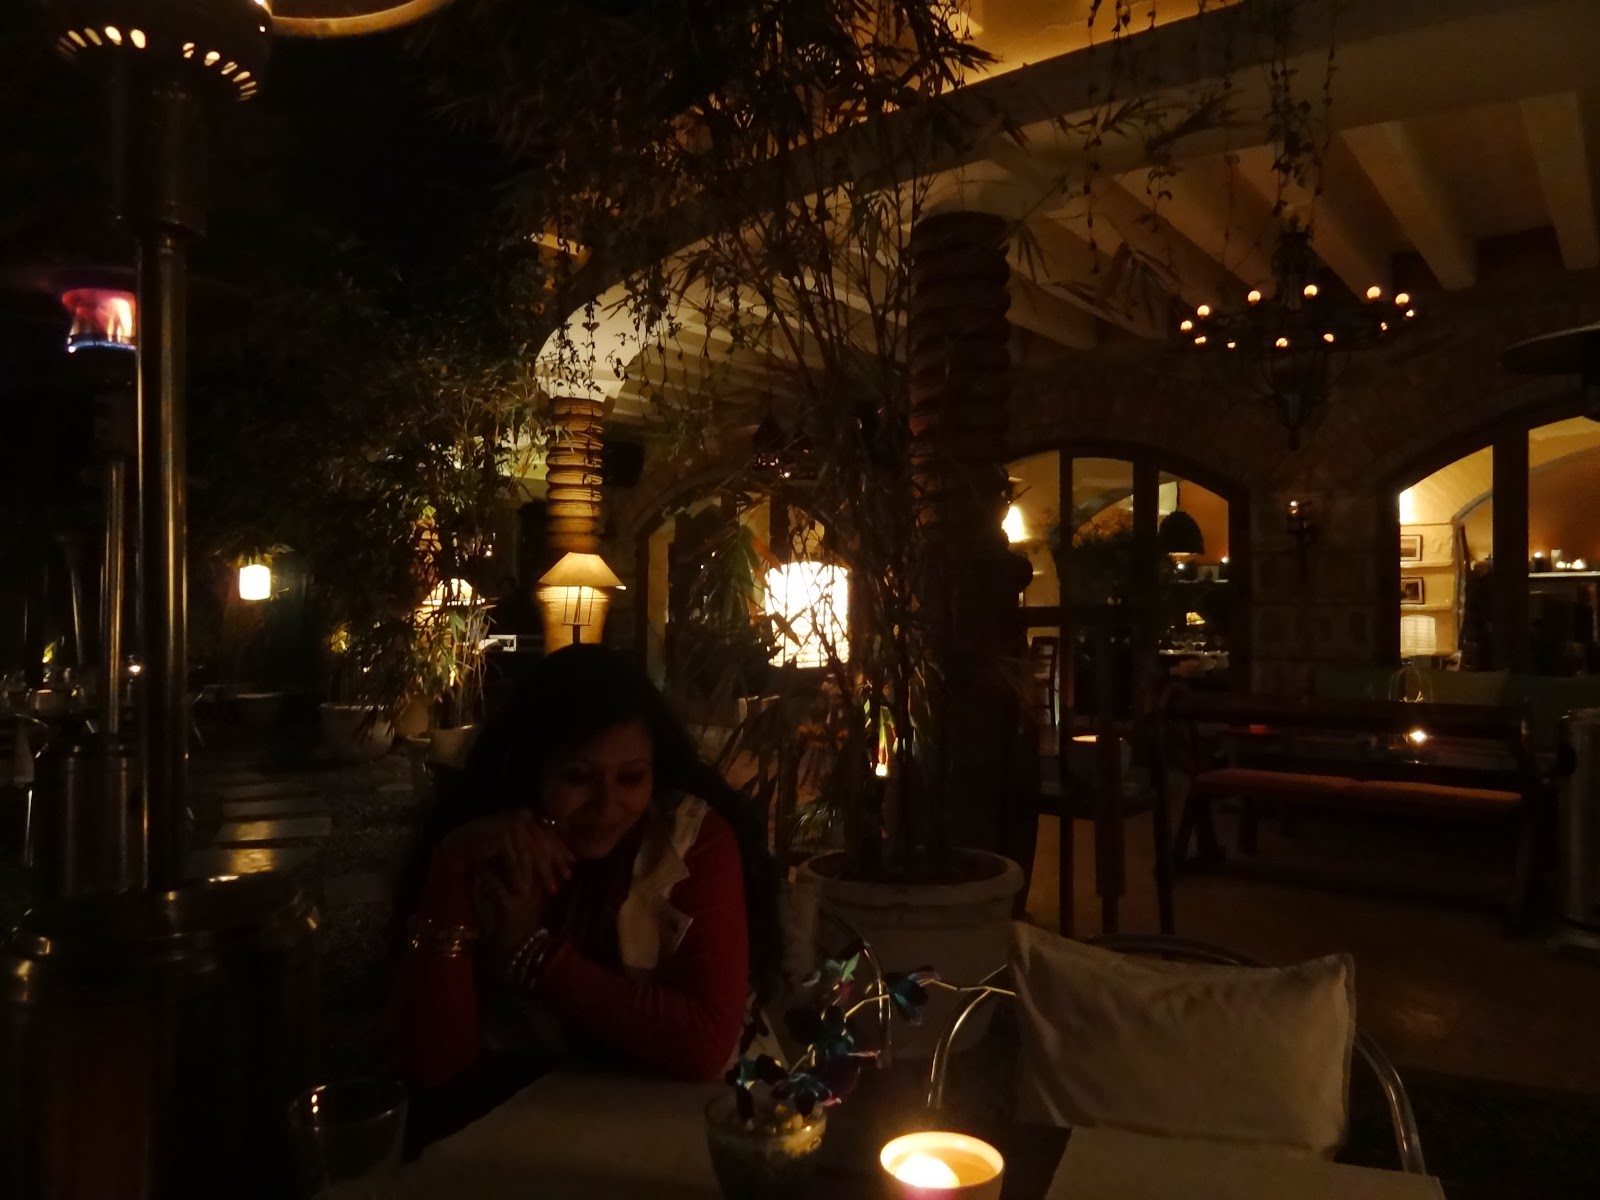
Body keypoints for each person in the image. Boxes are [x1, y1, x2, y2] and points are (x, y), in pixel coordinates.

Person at [390, 644, 781, 1093]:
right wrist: (451, 865)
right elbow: (433, 1063)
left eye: (631, 777)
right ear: (531, 769)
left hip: (677, 1109)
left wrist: (531, 951)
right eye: (577, 777)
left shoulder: (688, 841)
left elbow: (705, 1044)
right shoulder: (487, 841)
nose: (607, 805)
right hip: (522, 1111)